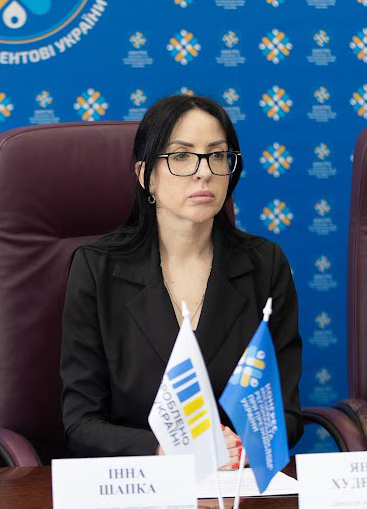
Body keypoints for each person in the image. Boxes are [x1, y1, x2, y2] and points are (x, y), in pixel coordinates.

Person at [60, 94, 303, 462]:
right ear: (146, 176)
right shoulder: (97, 270)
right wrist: (166, 451)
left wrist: (240, 446)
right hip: (140, 482)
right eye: (181, 156)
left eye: (217, 155)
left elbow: (286, 414)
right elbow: (81, 423)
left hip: (235, 481)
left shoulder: (265, 264)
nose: (204, 172)